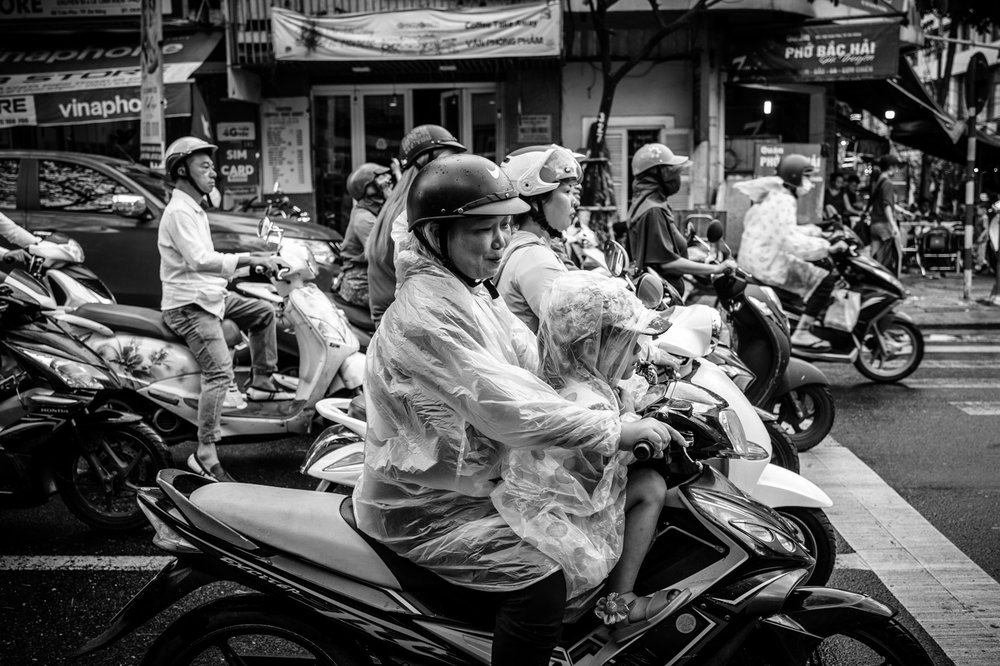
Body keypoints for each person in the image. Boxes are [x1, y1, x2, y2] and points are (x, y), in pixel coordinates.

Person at [353, 153, 679, 665]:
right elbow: (505, 409)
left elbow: (530, 368)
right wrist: (611, 427)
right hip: (428, 507)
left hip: (479, 481)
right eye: (484, 230)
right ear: (437, 234)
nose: (501, 241)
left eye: (506, 224)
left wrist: (608, 375)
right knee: (542, 583)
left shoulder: (472, 292)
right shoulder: (427, 313)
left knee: (615, 500)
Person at [493, 270, 685, 641]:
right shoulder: (590, 402)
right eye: (630, 345)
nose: (639, 354)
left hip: (551, 506)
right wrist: (638, 438)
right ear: (593, 347)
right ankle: (620, 601)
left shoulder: (572, 382)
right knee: (653, 486)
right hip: (565, 526)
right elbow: (605, 462)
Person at [158, 136, 293, 483]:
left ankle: (262, 381)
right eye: (205, 166)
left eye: (212, 166)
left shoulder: (194, 209)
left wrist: (256, 267)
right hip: (189, 306)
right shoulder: (178, 212)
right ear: (182, 170)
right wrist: (252, 258)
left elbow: (210, 263)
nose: (214, 173)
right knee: (219, 373)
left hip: (209, 295)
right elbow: (200, 260)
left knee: (263, 313)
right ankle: (205, 451)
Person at [736, 154, 847, 351]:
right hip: (767, 263)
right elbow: (790, 241)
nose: (810, 182)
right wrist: (826, 247)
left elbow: (786, 230)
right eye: (807, 177)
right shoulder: (784, 200)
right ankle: (802, 331)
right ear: (794, 177)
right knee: (826, 279)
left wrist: (818, 231)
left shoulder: (774, 196)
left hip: (755, 259)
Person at [365, 124, 466, 325]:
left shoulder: (398, 201)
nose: (453, 169)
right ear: (423, 163)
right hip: (399, 321)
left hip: (398, 313)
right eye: (446, 161)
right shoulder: (414, 210)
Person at [627, 143, 735, 297]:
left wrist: (684, 242)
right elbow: (668, 264)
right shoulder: (654, 210)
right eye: (674, 173)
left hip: (655, 294)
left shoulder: (644, 205)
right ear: (659, 175)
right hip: (662, 300)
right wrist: (718, 268)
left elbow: (656, 252)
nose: (678, 178)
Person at [495, 144, 582, 332]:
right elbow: (574, 332)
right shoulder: (535, 259)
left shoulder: (524, 247)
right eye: (567, 192)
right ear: (535, 202)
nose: (575, 201)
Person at [336, 162, 392, 307]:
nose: (387, 178)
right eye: (380, 177)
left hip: (372, 279)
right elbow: (384, 255)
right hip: (360, 284)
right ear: (367, 188)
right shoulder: (364, 218)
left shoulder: (376, 208)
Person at [868, 154, 903, 276]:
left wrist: (903, 211)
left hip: (874, 225)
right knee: (894, 255)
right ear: (891, 167)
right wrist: (893, 226)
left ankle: (874, 281)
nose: (896, 170)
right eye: (895, 167)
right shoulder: (887, 183)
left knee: (875, 258)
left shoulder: (877, 181)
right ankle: (893, 283)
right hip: (884, 224)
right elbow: (887, 206)